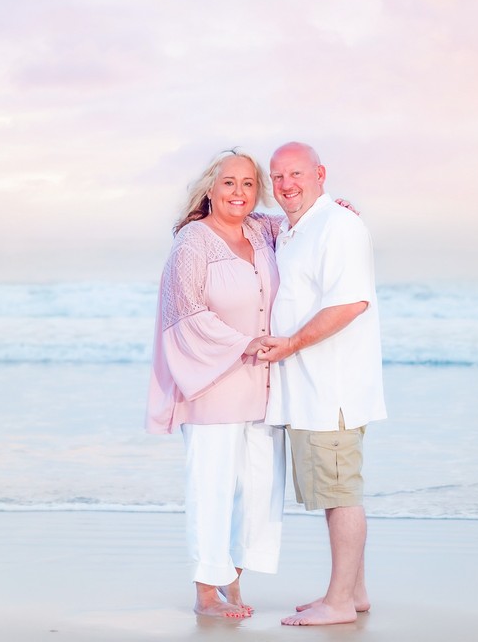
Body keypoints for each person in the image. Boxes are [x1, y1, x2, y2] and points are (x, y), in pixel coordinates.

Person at [145, 149, 286, 619]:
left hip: (262, 384)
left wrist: (336, 210)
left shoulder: (261, 231)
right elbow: (185, 314)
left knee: (257, 488)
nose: (239, 192)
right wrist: (246, 343)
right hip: (213, 380)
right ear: (210, 187)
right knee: (213, 486)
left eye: (248, 184)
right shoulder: (193, 241)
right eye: (229, 183)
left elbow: (303, 227)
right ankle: (206, 591)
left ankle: (233, 580)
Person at [258, 142, 387, 626]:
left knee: (340, 494)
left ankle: (338, 603)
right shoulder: (295, 229)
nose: (286, 185)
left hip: (331, 387)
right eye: (278, 177)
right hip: (311, 388)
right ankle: (353, 592)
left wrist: (290, 343)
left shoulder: (338, 225)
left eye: (296, 174)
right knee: (335, 491)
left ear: (319, 174)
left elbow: (351, 303)